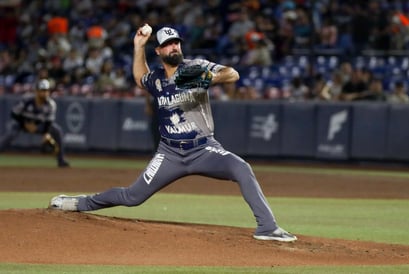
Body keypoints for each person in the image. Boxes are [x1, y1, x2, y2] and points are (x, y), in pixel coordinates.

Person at [49, 26, 297, 242]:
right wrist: (138, 46)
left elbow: (234, 74)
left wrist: (208, 77)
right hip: (169, 153)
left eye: (176, 42)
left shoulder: (194, 67)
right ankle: (78, 203)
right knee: (133, 197)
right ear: (159, 51)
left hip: (203, 149)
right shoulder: (156, 79)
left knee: (241, 168)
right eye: (167, 45)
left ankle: (267, 227)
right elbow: (139, 78)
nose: (173, 47)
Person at [0, 79, 70, 167]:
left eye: (46, 90)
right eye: (42, 90)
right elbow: (14, 114)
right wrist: (25, 124)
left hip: (39, 126)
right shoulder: (27, 101)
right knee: (10, 133)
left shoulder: (50, 104)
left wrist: (46, 134)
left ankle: (61, 160)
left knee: (57, 131)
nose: (44, 93)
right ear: (36, 91)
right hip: (21, 124)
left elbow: (49, 122)